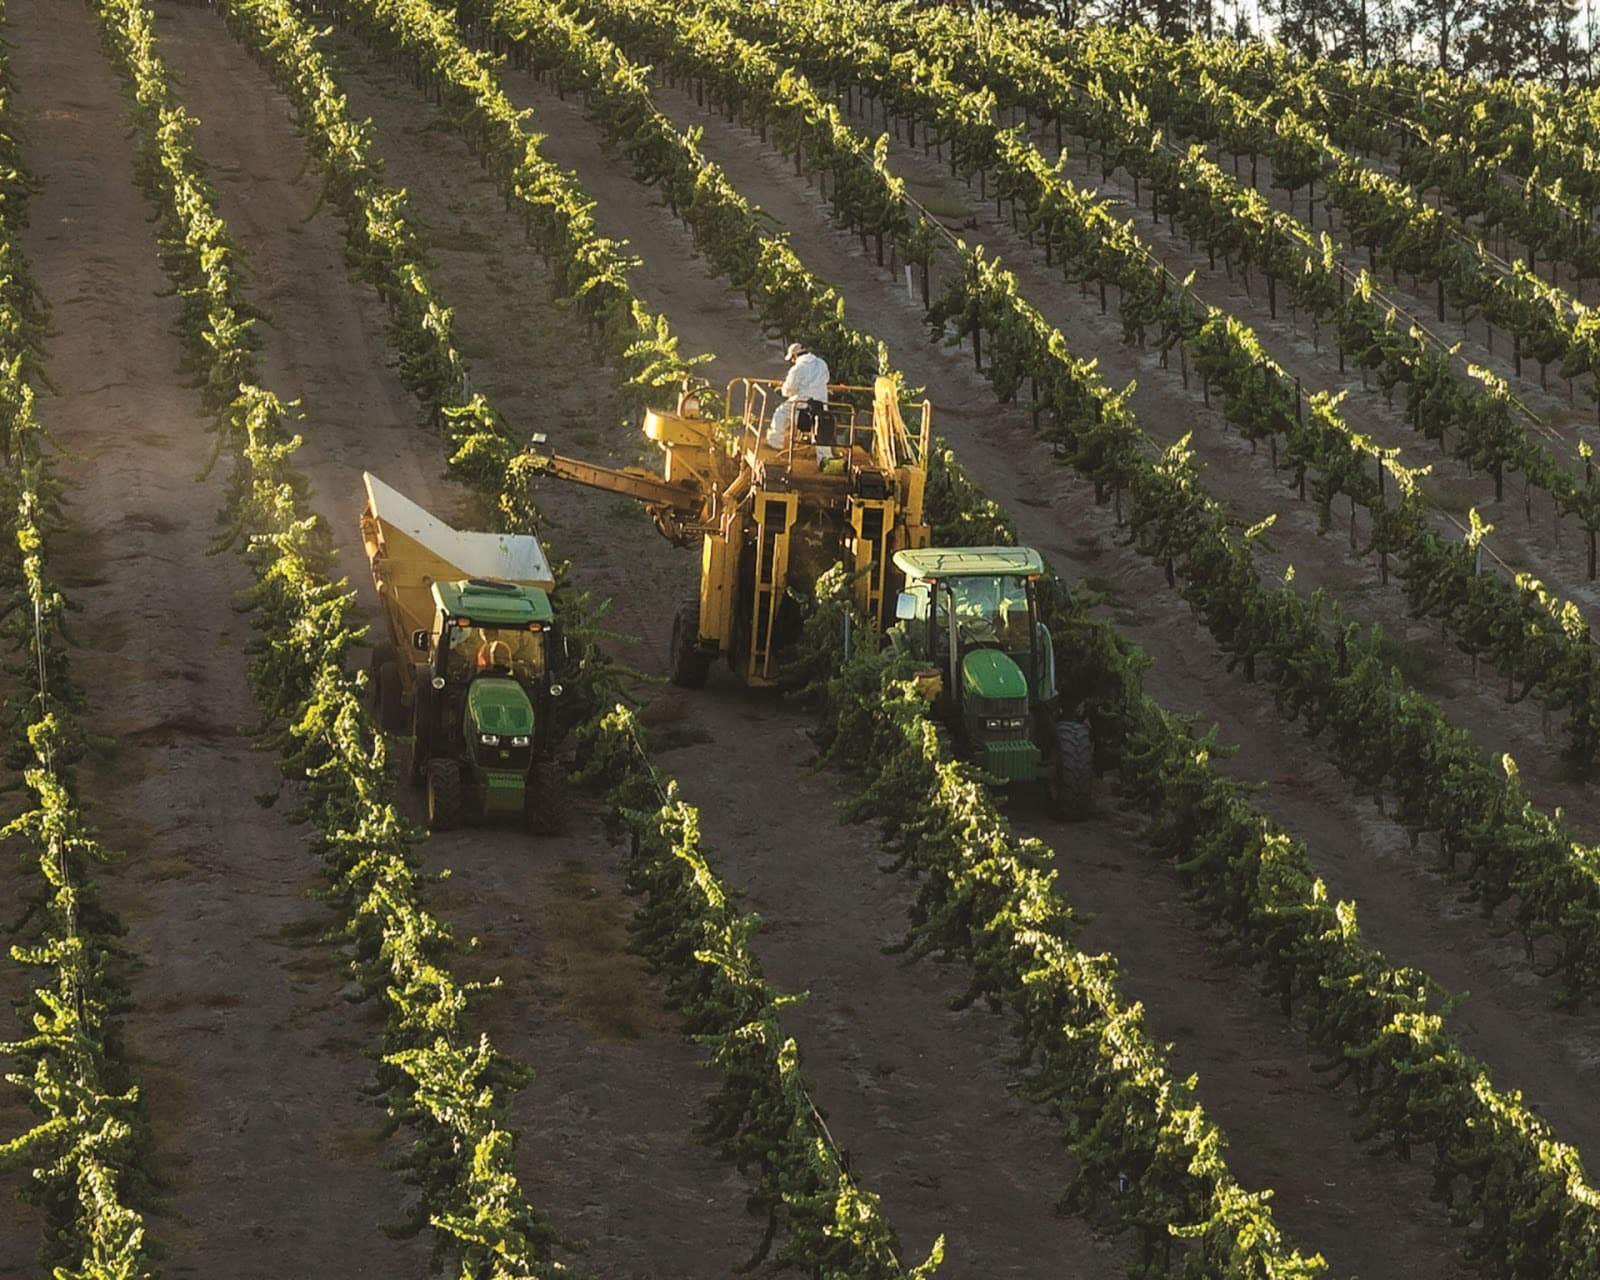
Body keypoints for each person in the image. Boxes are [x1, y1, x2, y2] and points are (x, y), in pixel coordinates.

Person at [766, 342, 830, 449]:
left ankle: (776, 443)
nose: (792, 361)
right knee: (820, 429)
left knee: (781, 413)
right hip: (820, 403)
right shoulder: (821, 363)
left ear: (795, 356)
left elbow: (787, 390)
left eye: (792, 358)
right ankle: (825, 458)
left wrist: (780, 389)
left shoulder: (797, 368)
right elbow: (826, 380)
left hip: (802, 403)